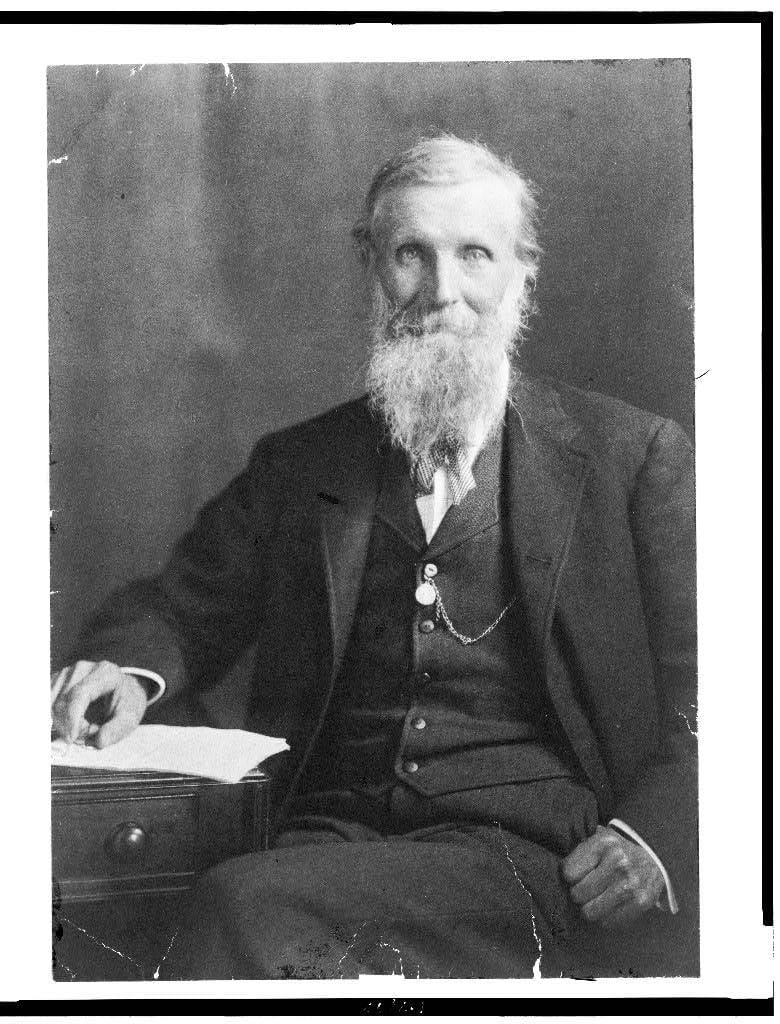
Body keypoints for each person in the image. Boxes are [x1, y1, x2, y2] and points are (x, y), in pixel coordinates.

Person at [50, 135, 697, 979]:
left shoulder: (629, 457)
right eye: (410, 255)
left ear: (522, 273)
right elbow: (180, 606)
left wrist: (661, 835)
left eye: (475, 254)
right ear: (371, 263)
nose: (442, 292)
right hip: (327, 830)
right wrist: (128, 673)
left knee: (240, 908)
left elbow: (733, 687)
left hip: (528, 851)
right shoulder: (301, 463)